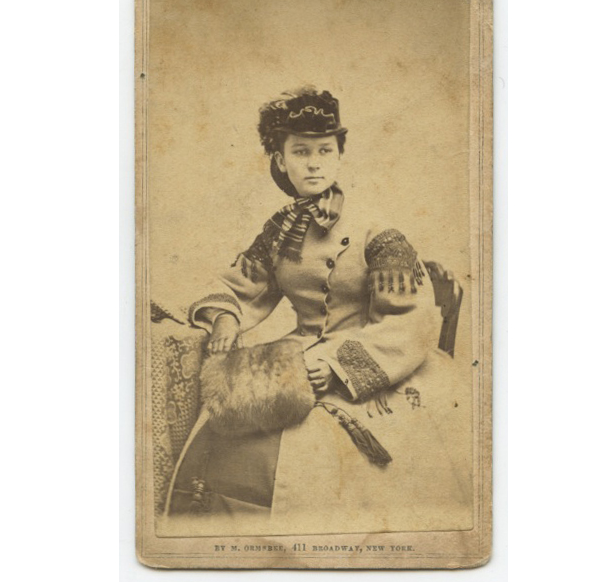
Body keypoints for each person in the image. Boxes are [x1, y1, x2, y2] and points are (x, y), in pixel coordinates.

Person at [160, 88, 472, 534]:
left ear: (339, 156)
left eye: (324, 151)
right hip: (299, 354)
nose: (313, 163)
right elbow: (238, 285)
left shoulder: (378, 232)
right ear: (280, 159)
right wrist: (225, 317)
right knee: (221, 420)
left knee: (312, 443)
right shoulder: (281, 230)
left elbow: (410, 321)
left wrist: (340, 368)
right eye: (300, 152)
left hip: (380, 364)